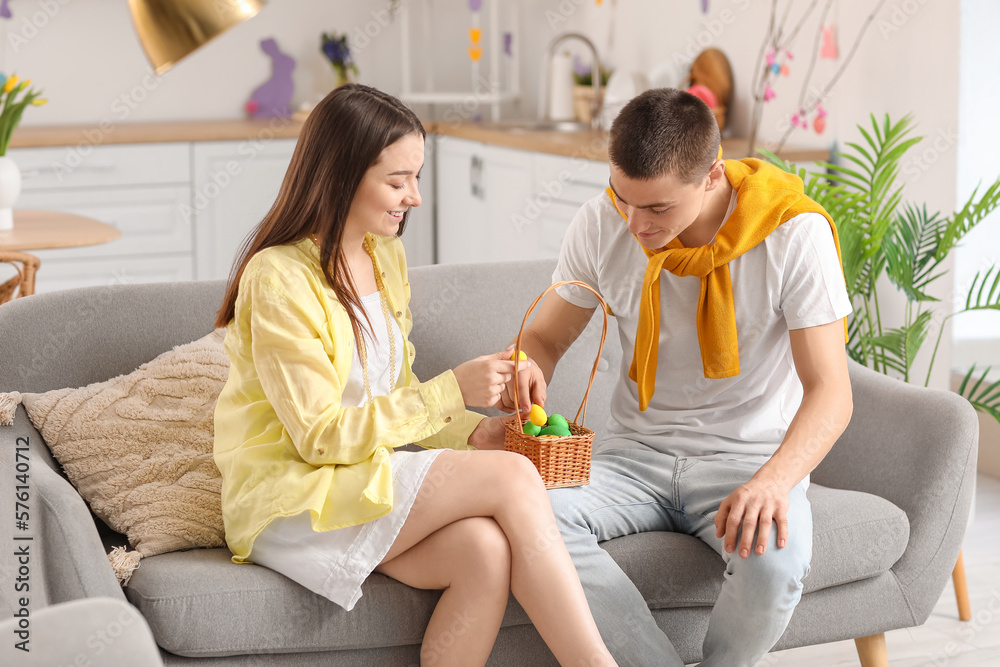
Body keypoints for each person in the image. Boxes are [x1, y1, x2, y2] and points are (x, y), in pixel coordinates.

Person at [212, 84, 618, 667]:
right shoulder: (277, 278)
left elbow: (394, 398)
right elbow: (321, 436)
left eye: (417, 178)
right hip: (294, 495)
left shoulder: (384, 256)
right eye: (398, 181)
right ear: (344, 174)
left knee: (484, 551)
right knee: (509, 481)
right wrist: (452, 389)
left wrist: (476, 433)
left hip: (362, 476)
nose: (416, 198)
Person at [501, 87, 854, 666]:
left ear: (712, 176)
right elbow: (545, 338)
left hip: (749, 462)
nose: (636, 225)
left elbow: (831, 392)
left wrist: (772, 482)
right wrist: (525, 366)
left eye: (658, 209)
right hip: (629, 458)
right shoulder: (600, 222)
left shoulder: (793, 234)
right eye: (624, 200)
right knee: (525, 514)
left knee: (777, 563)